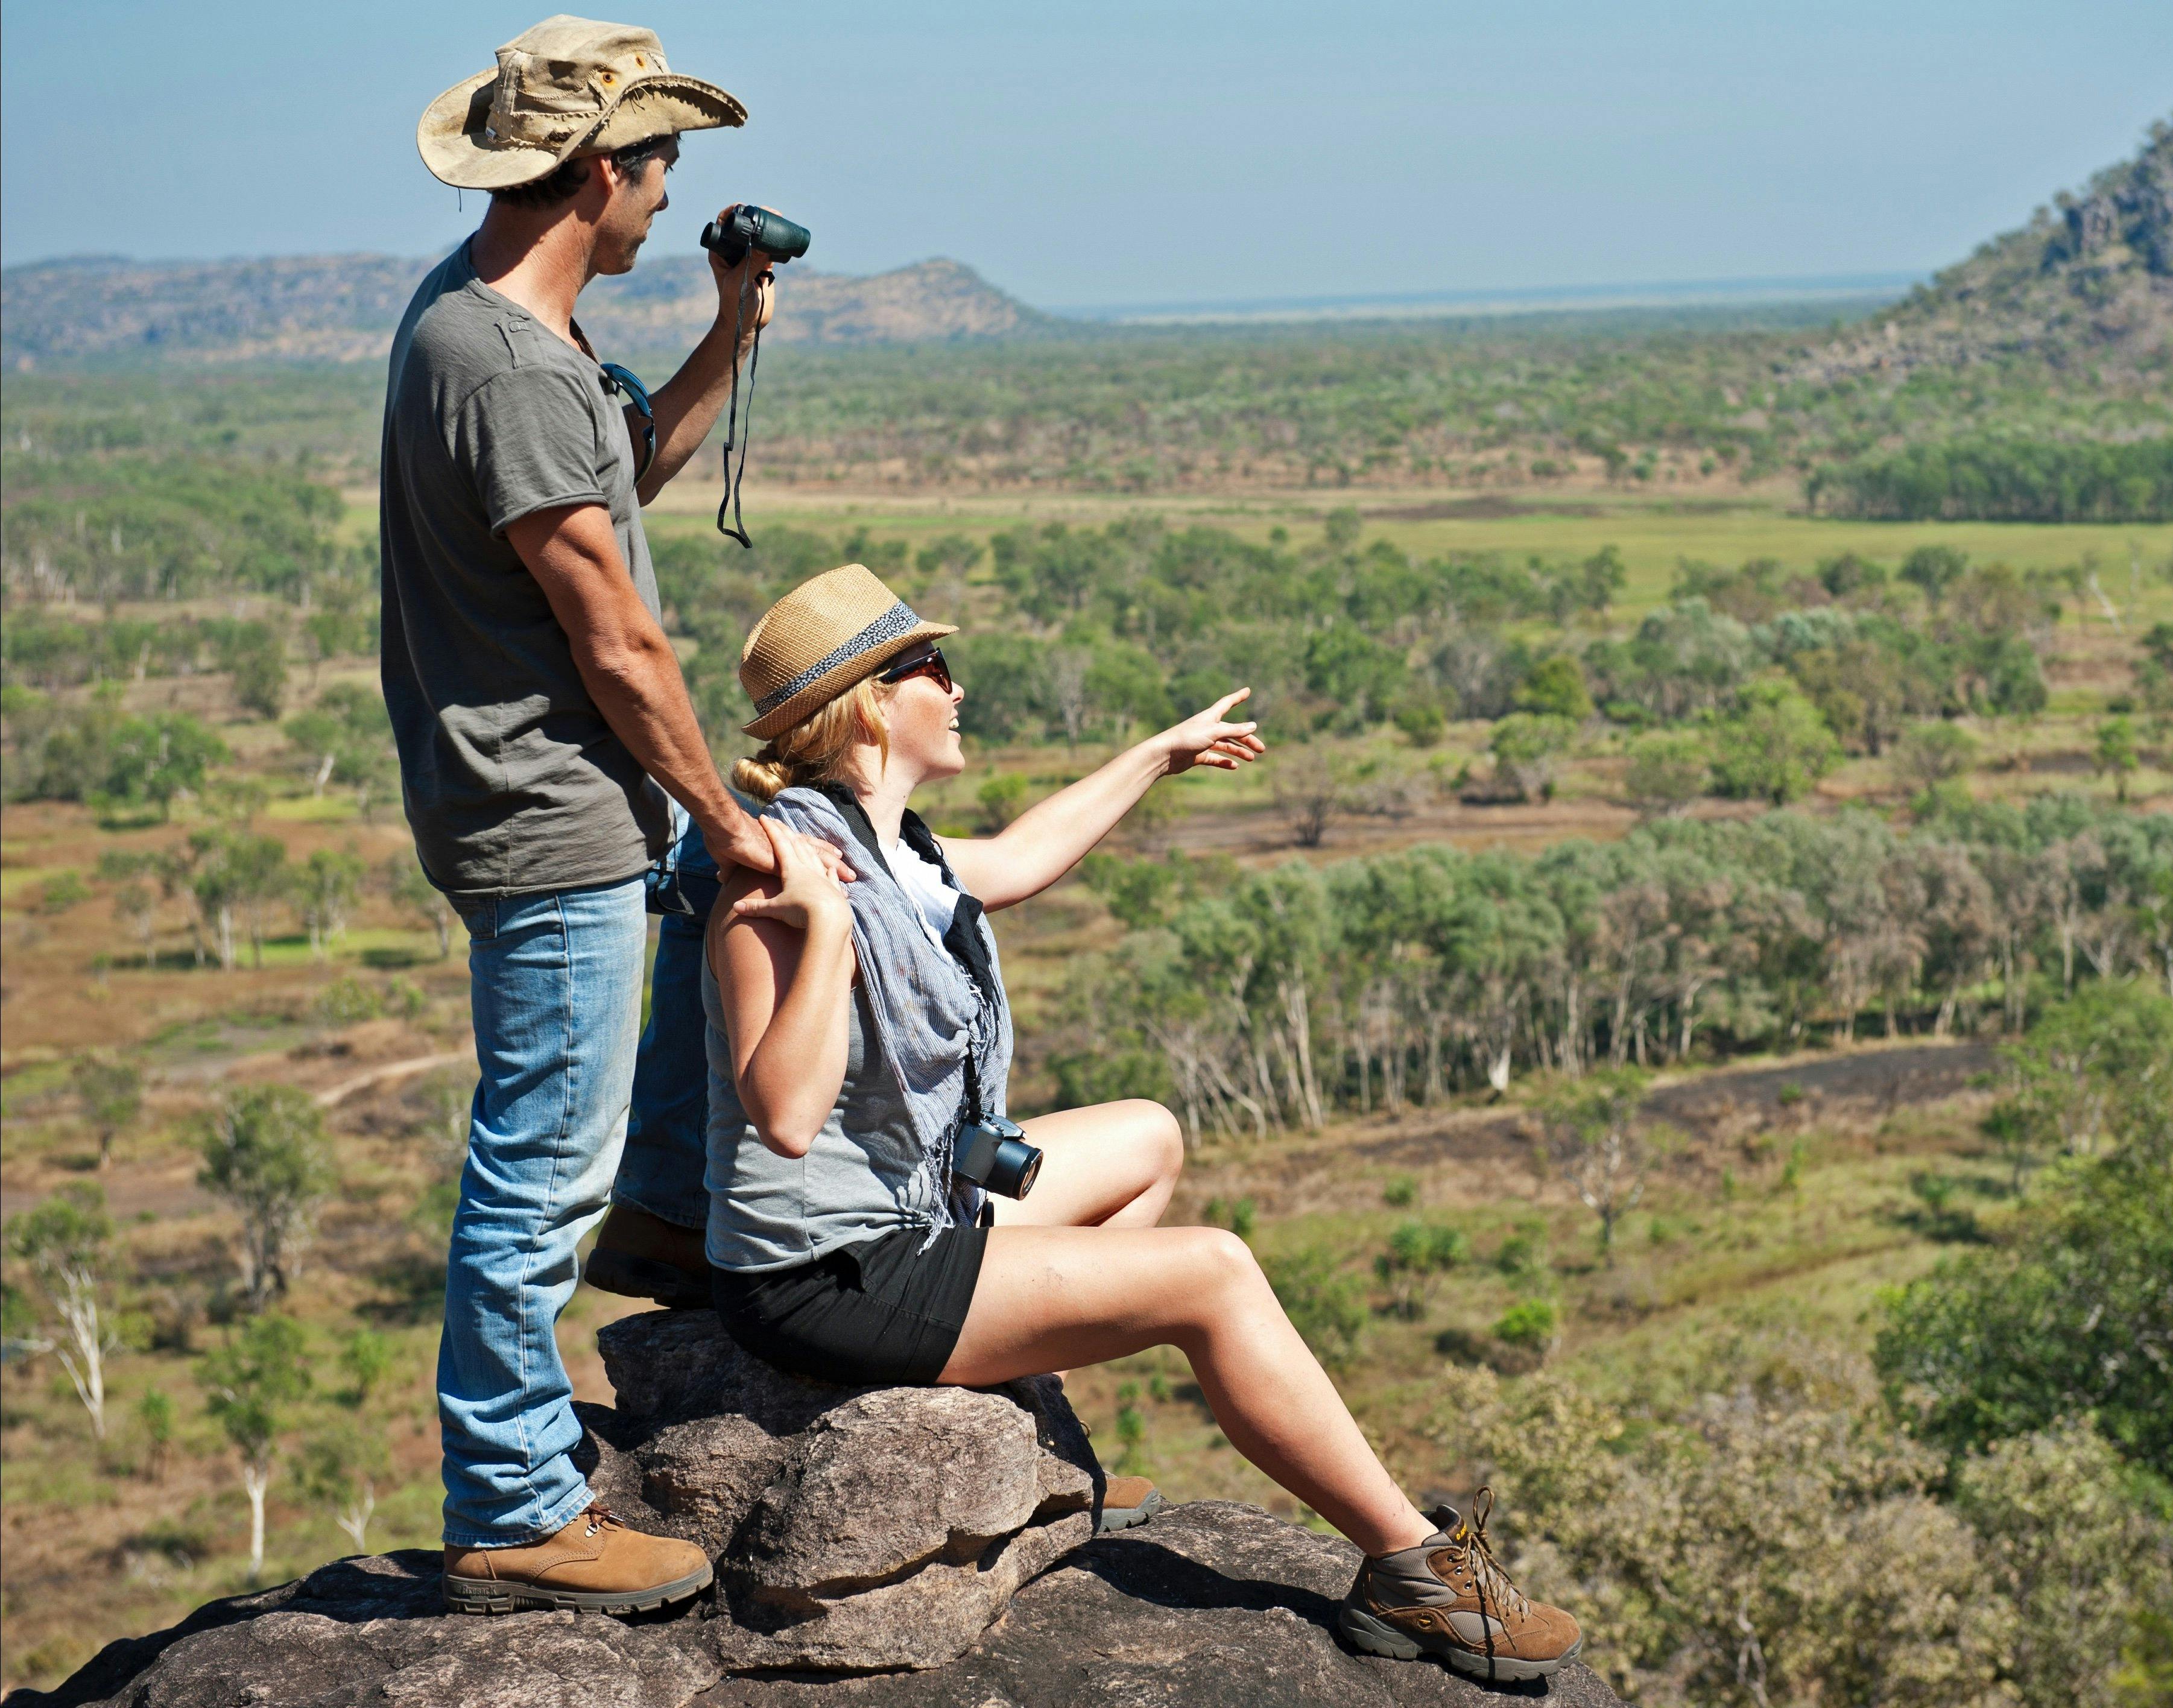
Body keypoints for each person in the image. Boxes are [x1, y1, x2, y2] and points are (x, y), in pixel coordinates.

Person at [698, 565, 1587, 1684]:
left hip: (917, 1210)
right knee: (1211, 1272)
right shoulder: (775, 874)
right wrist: (823, 931)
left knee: (1148, 1138)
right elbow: (780, 1113)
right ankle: (1413, 1570)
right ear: (871, 703)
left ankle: (1018, 1406)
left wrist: (1155, 758)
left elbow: (1015, 863)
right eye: (933, 667)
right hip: (827, 1271)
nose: (958, 686)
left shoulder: (893, 850)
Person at [390, 16, 845, 1615]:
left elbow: (619, 474)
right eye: (661, 177)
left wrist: (730, 327)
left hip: (561, 801)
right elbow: (615, 634)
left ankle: (657, 1212)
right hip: (554, 812)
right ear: (601, 171)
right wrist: (720, 809)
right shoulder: (505, 362)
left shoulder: (504, 329)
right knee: (532, 1167)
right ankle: (514, 1502)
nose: (668, 206)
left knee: (588, 1135)